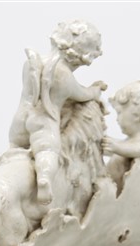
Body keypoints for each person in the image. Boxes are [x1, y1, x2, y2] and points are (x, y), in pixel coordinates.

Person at [9, 20, 106, 205]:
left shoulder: (31, 63)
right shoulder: (65, 76)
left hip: (21, 117)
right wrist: (95, 90)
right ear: (82, 58)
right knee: (47, 151)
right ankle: (44, 179)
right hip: (43, 122)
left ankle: (9, 159)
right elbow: (83, 94)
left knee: (14, 144)